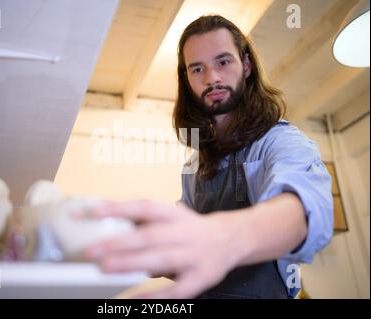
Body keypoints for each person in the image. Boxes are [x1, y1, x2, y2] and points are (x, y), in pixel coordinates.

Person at [84, 15, 333, 299]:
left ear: (247, 65)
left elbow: (300, 211)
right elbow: (191, 255)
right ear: (187, 79)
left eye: (223, 62)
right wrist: (147, 250)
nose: (212, 78)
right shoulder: (194, 164)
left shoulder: (279, 141)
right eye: (197, 69)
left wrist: (225, 238)